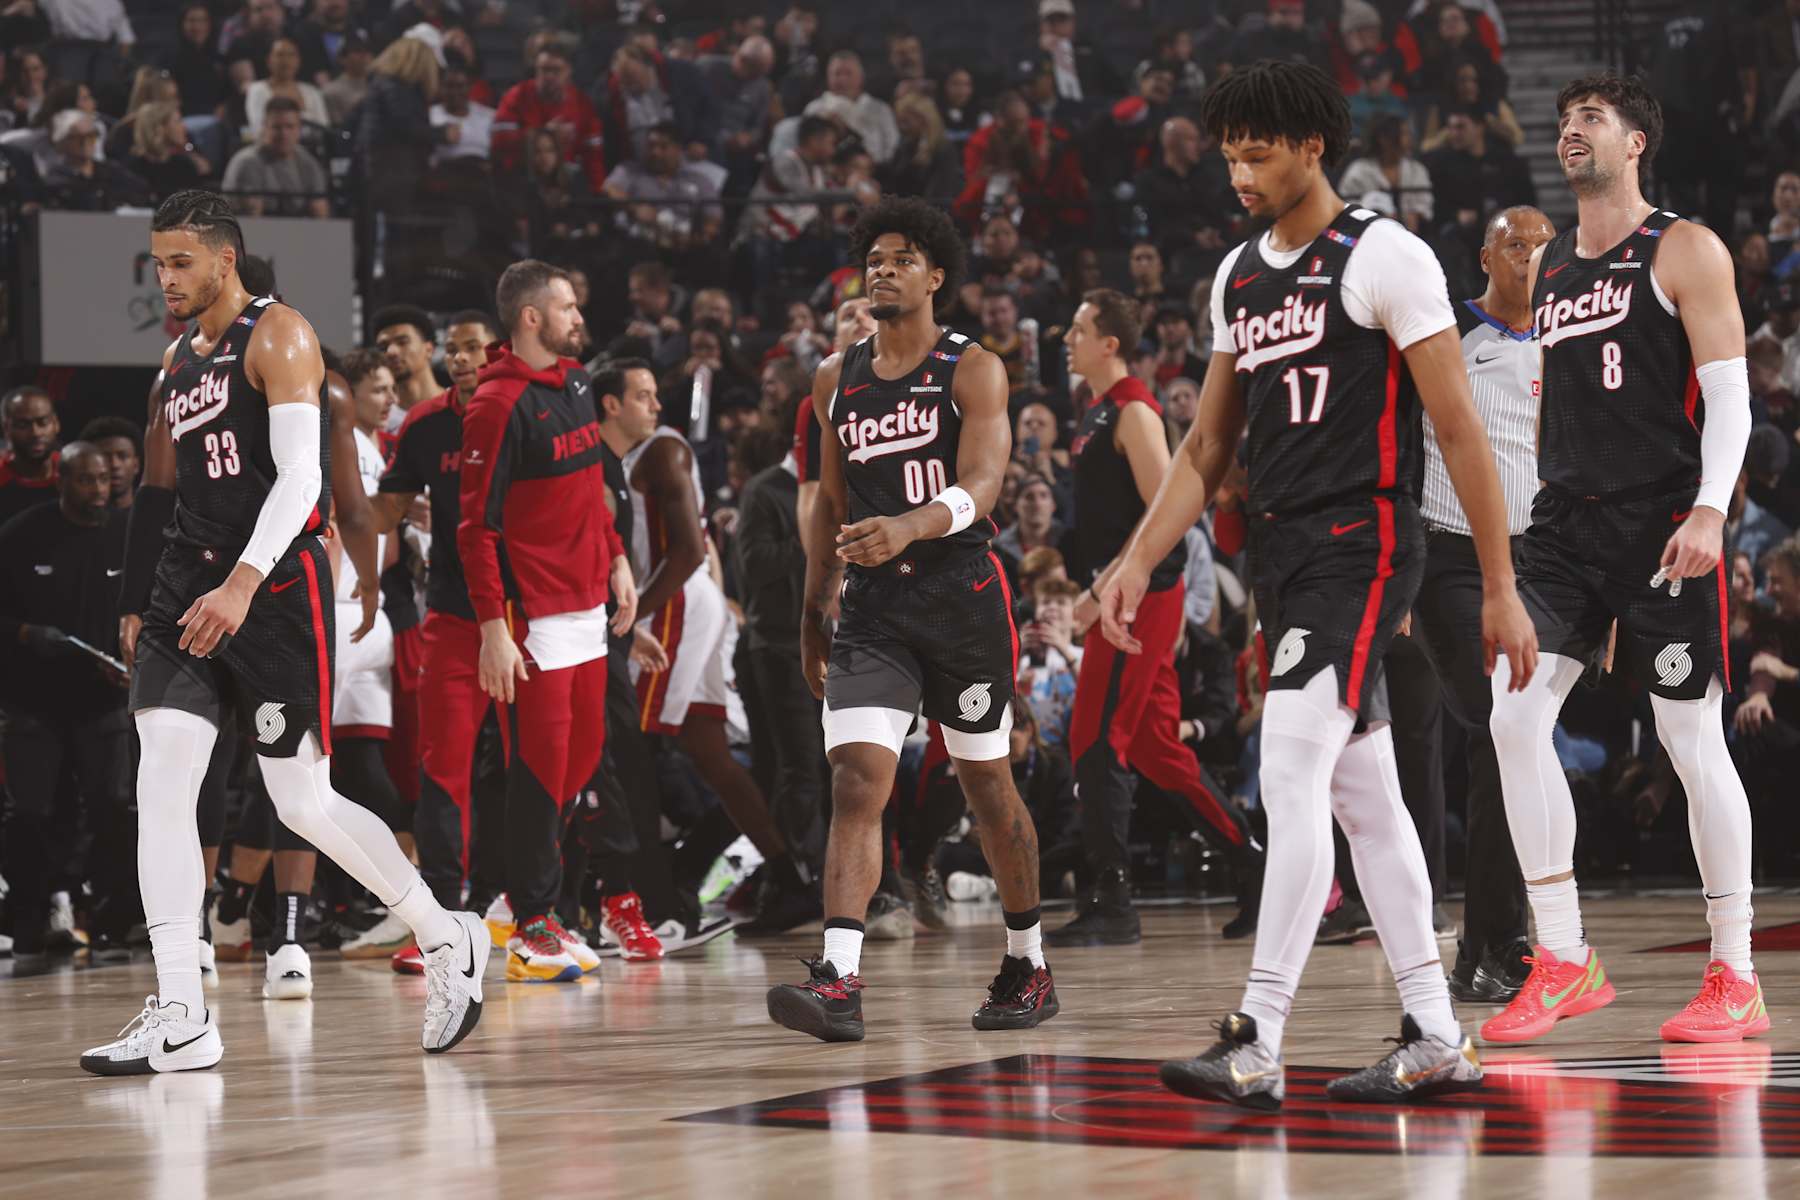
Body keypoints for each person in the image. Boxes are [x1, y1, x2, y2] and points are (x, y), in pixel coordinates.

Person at [1100, 62, 1536, 1109]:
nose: (1238, 173)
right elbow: (1206, 444)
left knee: (1286, 774)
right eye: (1229, 155)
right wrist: (1134, 556)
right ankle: (1435, 1031)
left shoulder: (1386, 255)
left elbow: (1460, 430)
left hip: (1367, 539)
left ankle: (1258, 1034)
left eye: (1255, 153)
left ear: (1310, 148)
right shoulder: (1239, 275)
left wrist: (1500, 583)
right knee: (1367, 799)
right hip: (1288, 557)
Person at [90, 190, 488, 1076]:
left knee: (298, 802)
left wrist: (240, 583)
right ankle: (182, 1011)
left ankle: (445, 935)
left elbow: (302, 479)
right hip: (186, 589)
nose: (166, 278)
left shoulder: (279, 336)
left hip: (271, 589)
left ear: (225, 260)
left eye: (180, 262)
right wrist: (149, 591)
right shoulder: (174, 362)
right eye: (157, 263)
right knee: (162, 783)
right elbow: (166, 494)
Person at [1484, 75, 1766, 1046]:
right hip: (1564, 526)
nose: (1570, 131)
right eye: (1563, 120)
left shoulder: (1683, 247)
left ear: (1637, 140)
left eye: (1591, 119)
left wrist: (1709, 509)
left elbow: (1729, 398)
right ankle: (1564, 958)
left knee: (1693, 744)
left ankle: (1734, 972)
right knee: (1512, 716)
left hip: (1660, 525)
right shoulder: (1553, 263)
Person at [767, 196, 1059, 1041]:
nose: (883, 269)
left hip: (962, 597)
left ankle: (1027, 962)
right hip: (873, 609)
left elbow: (986, 483)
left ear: (936, 276)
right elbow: (825, 506)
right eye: (875, 258)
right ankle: (840, 981)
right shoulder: (835, 377)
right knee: (858, 777)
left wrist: (909, 523)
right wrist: (811, 612)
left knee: (986, 784)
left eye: (902, 258)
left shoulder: (973, 367)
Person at [1050, 289, 1261, 949]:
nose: (1067, 338)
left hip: (1143, 596)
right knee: (1156, 751)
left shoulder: (1136, 412)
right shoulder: (1093, 412)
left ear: (1110, 343)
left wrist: (1108, 587)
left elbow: (1163, 516)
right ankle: (1255, 866)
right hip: (1123, 592)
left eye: (1079, 328)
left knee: (1094, 740)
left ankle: (1112, 902)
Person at [457, 261, 636, 983]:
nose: (577, 316)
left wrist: (617, 555)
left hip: (589, 605)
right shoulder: (496, 404)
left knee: (582, 762)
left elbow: (594, 485)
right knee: (537, 774)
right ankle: (532, 925)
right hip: (534, 620)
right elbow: (476, 529)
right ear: (531, 318)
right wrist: (493, 629)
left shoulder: (578, 383)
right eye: (565, 306)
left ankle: (526, 901)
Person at [595, 355, 812, 927]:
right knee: (710, 755)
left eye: (652, 394)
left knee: (629, 746)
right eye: (645, 394)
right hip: (679, 602)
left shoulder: (663, 449)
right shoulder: (627, 454)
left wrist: (633, 612)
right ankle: (787, 876)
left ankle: (649, 896)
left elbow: (690, 550)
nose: (657, 404)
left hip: (673, 605)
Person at [1409, 205, 1553, 1005]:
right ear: (1487, 256)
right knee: (1503, 728)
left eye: (1542, 245)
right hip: (1450, 557)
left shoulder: (1563, 339)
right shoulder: (1445, 338)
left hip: (1536, 561)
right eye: (1517, 244)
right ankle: (1502, 941)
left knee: (1514, 741)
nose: (1532, 256)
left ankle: (1489, 946)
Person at [362, 311, 499, 967]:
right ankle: (442, 917)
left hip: (534, 614)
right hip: (452, 611)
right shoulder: (423, 425)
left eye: (475, 347)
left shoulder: (531, 409)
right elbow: (385, 510)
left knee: (531, 766)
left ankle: (532, 911)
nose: (464, 357)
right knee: (442, 765)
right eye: (456, 349)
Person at [0, 443, 132, 976]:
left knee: (112, 811)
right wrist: (27, 634)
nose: (99, 490)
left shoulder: (126, 536)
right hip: (33, 703)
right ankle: (29, 925)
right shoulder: (21, 535)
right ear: (63, 481)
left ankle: (109, 925)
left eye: (103, 480)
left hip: (104, 702)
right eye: (86, 481)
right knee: (32, 815)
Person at [491, 45, 607, 193]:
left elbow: (593, 157)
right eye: (544, 70)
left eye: (556, 70)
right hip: (523, 177)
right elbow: (500, 144)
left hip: (567, 180)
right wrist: (542, 135)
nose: (549, 76)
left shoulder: (582, 104)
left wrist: (598, 192)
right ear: (536, 71)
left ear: (569, 71)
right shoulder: (515, 97)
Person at [220, 96, 328, 218]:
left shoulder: (309, 163)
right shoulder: (248, 162)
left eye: (290, 126)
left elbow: (320, 212)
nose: (284, 134)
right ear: (265, 127)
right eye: (277, 127)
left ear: (299, 129)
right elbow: (252, 218)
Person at [0, 385, 61, 527]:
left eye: (43, 423)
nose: (35, 433)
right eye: (23, 425)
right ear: (6, 429)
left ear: (56, 423)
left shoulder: (74, 473)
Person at [370, 304, 438, 429]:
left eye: (402, 342)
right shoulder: (377, 422)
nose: (391, 352)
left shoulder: (461, 404)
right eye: (383, 347)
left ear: (429, 349)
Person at [78, 415, 143, 509]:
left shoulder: (155, 511)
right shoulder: (74, 515)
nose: (114, 464)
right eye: (104, 457)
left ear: (136, 465)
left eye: (122, 456)